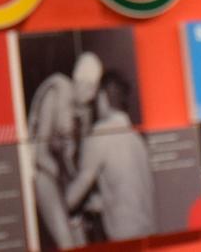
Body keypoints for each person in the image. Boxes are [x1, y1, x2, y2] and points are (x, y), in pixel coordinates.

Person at [65, 71, 155, 241]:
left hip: (125, 239)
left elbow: (72, 197)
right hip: (150, 234)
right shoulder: (137, 139)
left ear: (102, 97)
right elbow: (130, 191)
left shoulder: (101, 133)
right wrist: (102, 202)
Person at [28, 52, 103, 249]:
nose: (92, 95)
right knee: (68, 243)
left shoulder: (85, 112)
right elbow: (39, 154)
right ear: (79, 81)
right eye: (89, 87)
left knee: (83, 241)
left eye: (94, 89)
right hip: (44, 173)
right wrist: (65, 190)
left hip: (64, 180)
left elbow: (79, 165)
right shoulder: (57, 91)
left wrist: (85, 195)